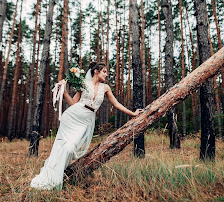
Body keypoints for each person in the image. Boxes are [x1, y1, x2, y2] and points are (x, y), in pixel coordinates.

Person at [30, 62, 143, 190]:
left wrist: (132, 113)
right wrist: (64, 91)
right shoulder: (83, 84)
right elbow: (73, 102)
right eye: (104, 71)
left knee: (69, 148)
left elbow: (116, 104)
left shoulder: (105, 88)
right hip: (72, 116)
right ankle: (54, 178)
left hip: (85, 121)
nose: (106, 74)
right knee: (62, 147)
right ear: (96, 71)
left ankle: (57, 174)